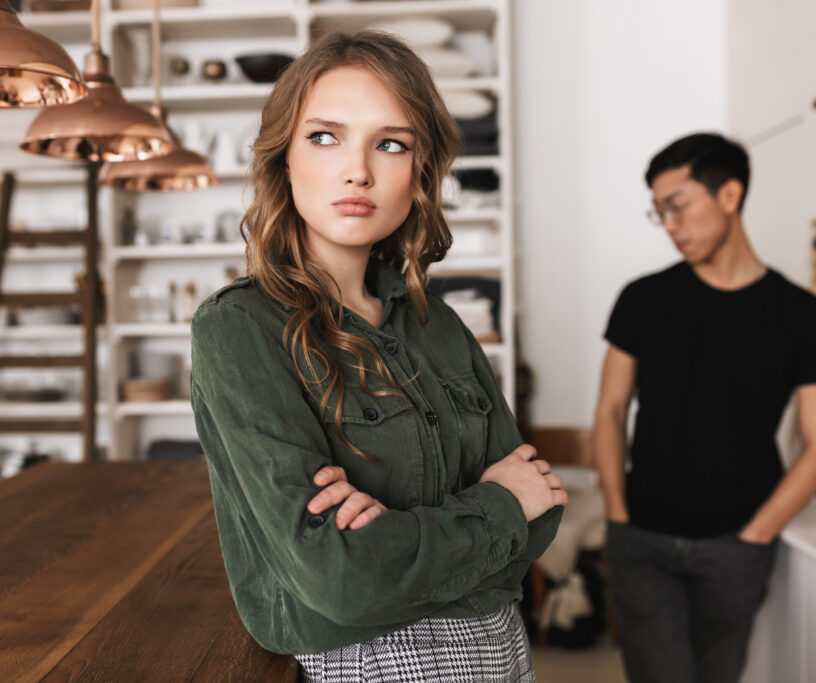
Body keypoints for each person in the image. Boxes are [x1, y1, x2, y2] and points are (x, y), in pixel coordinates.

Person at [189, 31, 566, 682]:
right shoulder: (239, 327)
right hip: (370, 663)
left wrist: (400, 532)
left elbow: (545, 510)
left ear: (419, 172)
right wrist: (498, 505)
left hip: (504, 647)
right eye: (325, 136)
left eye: (390, 143)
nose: (358, 170)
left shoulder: (437, 322)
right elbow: (343, 580)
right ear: (283, 158)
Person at [593, 132, 816, 683]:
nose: (671, 225)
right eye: (660, 213)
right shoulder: (643, 299)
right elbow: (610, 411)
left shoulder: (804, 316)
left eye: (678, 206)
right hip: (644, 536)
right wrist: (617, 514)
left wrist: (758, 532)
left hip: (738, 542)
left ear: (729, 195)